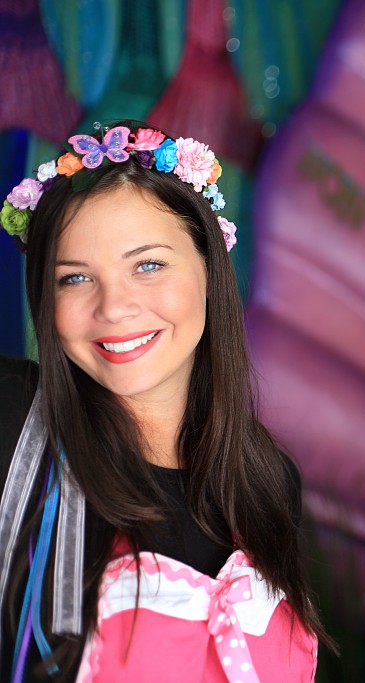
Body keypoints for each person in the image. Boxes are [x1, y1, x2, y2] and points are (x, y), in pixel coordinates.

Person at [0, 122, 329, 681]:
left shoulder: (267, 481)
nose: (114, 308)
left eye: (147, 265)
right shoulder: (12, 422)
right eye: (75, 279)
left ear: (208, 269)